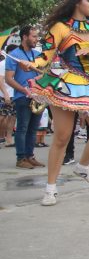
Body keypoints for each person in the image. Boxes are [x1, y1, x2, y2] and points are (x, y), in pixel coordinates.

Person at [18, 0, 89, 206]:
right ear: (76, 3)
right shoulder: (60, 28)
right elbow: (45, 57)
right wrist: (32, 63)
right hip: (66, 84)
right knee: (62, 137)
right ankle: (50, 188)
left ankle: (83, 166)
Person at [4, 25, 44, 169]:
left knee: (33, 129)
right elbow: (8, 79)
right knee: (22, 128)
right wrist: (25, 90)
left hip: (38, 96)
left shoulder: (37, 54)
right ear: (24, 37)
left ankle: (30, 156)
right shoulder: (14, 54)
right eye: (33, 36)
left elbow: (43, 74)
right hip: (22, 96)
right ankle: (21, 158)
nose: (36, 39)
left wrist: (40, 78)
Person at [0, 52, 16, 148]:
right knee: (2, 117)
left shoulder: (17, 63)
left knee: (12, 117)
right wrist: (5, 94)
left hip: (15, 94)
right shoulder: (3, 64)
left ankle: (9, 138)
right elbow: (0, 80)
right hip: (4, 94)